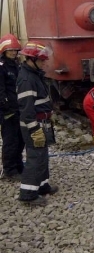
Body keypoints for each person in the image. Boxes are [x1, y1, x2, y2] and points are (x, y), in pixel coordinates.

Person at [17, 41, 58, 206]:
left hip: (42, 121)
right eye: (41, 60)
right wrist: (34, 129)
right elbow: (26, 109)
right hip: (34, 124)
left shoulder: (34, 75)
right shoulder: (27, 79)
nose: (44, 63)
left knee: (42, 155)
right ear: (30, 59)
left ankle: (42, 186)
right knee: (35, 157)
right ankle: (28, 194)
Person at [0, 34, 25, 181]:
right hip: (8, 111)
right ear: (4, 50)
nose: (14, 52)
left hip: (18, 109)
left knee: (21, 139)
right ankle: (9, 170)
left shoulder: (16, 65)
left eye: (15, 50)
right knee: (10, 140)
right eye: (11, 50)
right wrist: (7, 108)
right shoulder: (2, 68)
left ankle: (18, 165)